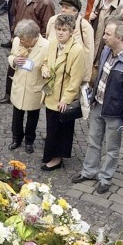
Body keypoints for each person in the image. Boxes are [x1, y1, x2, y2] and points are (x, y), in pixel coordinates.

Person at [73, 20, 123, 193]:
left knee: (112, 149)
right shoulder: (107, 51)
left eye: (107, 34)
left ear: (119, 37)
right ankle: (89, 171)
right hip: (99, 105)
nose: (103, 37)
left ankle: (105, 178)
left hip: (115, 113)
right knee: (93, 141)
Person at [40, 13, 85, 170]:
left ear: (71, 31)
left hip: (62, 97)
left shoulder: (77, 50)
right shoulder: (52, 43)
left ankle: (57, 157)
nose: (60, 32)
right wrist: (45, 69)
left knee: (61, 129)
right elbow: (45, 62)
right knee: (51, 126)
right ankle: (49, 154)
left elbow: (75, 79)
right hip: (51, 93)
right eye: (58, 29)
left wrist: (66, 99)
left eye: (64, 30)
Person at [8, 19, 50, 153]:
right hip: (19, 84)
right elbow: (11, 56)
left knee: (33, 115)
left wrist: (45, 69)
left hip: (34, 86)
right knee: (17, 113)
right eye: (19, 38)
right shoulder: (17, 41)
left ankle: (29, 140)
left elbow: (47, 63)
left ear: (33, 38)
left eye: (23, 39)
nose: (20, 41)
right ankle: (16, 138)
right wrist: (14, 60)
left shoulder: (46, 46)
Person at [46, 0, 94, 81]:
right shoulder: (53, 21)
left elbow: (88, 54)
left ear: (75, 11)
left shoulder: (85, 27)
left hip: (70, 75)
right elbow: (46, 44)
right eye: (62, 7)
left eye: (66, 8)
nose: (63, 10)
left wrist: (84, 78)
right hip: (51, 73)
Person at [89, 0, 122, 76]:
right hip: (95, 35)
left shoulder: (119, 6)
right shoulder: (99, 0)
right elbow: (92, 15)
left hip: (106, 40)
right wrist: (91, 17)